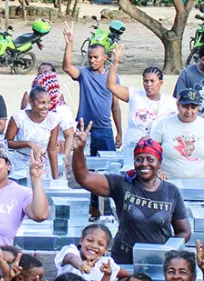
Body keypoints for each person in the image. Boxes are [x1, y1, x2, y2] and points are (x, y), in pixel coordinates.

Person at [71, 123, 192, 264]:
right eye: (139, 159)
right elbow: (84, 178)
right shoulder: (122, 184)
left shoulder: (171, 191)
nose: (144, 163)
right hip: (124, 260)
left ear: (159, 163)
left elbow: (184, 231)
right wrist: (79, 150)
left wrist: (168, 250)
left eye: (150, 159)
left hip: (158, 261)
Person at [62, 22, 122, 220]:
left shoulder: (113, 78)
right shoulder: (84, 74)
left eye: (96, 57)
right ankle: (91, 209)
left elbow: (115, 106)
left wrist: (119, 131)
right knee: (84, 170)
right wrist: (69, 42)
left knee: (108, 173)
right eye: (90, 57)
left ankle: (107, 210)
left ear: (105, 58)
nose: (92, 60)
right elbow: (67, 67)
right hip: (83, 131)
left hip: (104, 130)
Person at [105, 46, 177, 146]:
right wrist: (114, 63)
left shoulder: (170, 102)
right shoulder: (135, 95)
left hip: (158, 151)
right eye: (145, 81)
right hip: (133, 147)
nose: (148, 84)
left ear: (161, 82)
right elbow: (111, 85)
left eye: (152, 81)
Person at [149, 88, 204, 179]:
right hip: (168, 182)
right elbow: (151, 152)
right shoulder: (163, 124)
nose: (189, 112)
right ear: (178, 105)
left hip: (199, 183)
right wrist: (156, 170)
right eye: (185, 107)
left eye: (193, 107)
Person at [7, 85, 61, 178]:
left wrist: (55, 179)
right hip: (20, 165)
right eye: (42, 103)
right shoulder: (19, 117)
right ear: (31, 102)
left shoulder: (53, 119)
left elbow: (52, 150)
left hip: (42, 165)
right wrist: (29, 143)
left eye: (48, 102)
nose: (46, 107)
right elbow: (7, 142)